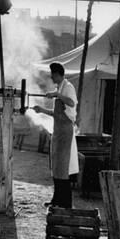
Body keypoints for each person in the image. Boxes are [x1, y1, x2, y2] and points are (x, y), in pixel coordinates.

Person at [33, 62, 79, 208]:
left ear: (58, 74)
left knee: (63, 168)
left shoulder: (68, 87)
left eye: (52, 74)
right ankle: (56, 199)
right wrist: (42, 110)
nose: (51, 77)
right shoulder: (60, 88)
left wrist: (57, 95)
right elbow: (57, 114)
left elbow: (72, 103)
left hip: (65, 131)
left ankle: (65, 203)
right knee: (56, 167)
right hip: (58, 131)